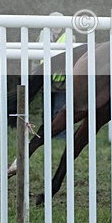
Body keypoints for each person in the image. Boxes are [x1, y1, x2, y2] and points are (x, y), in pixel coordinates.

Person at [39, 11, 70, 139]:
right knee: (46, 109)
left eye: (59, 24)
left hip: (62, 79)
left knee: (60, 109)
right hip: (46, 77)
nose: (56, 27)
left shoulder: (69, 35)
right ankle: (45, 134)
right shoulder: (43, 34)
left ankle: (60, 135)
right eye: (54, 24)